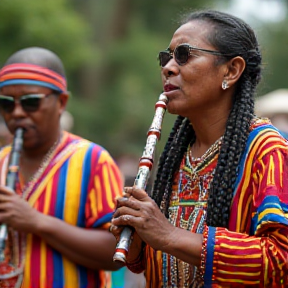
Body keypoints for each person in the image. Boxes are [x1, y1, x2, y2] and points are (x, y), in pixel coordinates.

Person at [110, 9, 288, 288]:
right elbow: (161, 262)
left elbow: (280, 260)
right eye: (165, 57)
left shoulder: (267, 149)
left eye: (184, 54)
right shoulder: (176, 154)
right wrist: (136, 243)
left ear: (231, 70)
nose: (168, 67)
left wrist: (169, 235)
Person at [0, 47, 123, 288]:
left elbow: (117, 252)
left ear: (61, 102)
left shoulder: (94, 161)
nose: (16, 113)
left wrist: (37, 222)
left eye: (31, 102)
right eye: (6, 104)